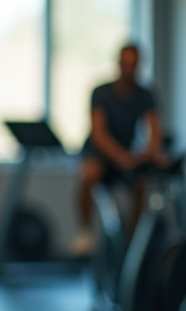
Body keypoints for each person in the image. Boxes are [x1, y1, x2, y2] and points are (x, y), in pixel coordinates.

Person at [72, 43, 168, 255]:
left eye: (134, 64)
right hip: (100, 152)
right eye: (126, 64)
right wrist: (122, 157)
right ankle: (86, 233)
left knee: (141, 184)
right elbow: (99, 134)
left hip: (126, 153)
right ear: (119, 64)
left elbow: (154, 132)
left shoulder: (145, 95)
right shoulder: (102, 92)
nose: (130, 68)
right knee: (90, 174)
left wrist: (151, 153)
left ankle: (132, 245)